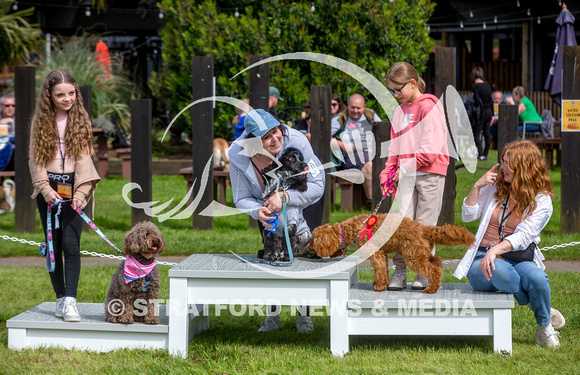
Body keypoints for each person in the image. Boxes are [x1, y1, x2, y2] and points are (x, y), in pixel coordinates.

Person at [454, 140, 565, 348]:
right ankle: (540, 307)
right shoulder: (495, 187)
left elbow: (523, 236)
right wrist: (477, 186)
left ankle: (544, 329)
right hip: (481, 258)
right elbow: (468, 216)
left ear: (524, 167)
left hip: (516, 257)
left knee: (538, 278)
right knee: (501, 272)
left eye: (507, 163)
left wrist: (496, 250)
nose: (502, 167)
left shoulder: (542, 200)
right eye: (503, 161)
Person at [228, 109, 325, 333]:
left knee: (302, 257)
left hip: (304, 200)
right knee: (273, 256)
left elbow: (317, 185)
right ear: (253, 142)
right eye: (267, 137)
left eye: (276, 132)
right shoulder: (237, 154)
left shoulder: (298, 141)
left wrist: (287, 197)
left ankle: (304, 316)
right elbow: (241, 198)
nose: (275, 139)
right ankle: (272, 316)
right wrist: (257, 211)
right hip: (268, 207)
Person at [28, 69, 101, 322]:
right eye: (60, 95)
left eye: (71, 93)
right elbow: (35, 159)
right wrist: (45, 189)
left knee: (71, 244)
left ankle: (71, 300)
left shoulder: (81, 119)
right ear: (49, 95)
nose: (67, 99)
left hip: (73, 188)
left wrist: (81, 193)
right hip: (48, 189)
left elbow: (84, 159)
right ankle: (59, 297)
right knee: (53, 245)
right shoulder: (40, 121)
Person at [380, 61, 449, 291]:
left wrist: (404, 168)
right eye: (392, 91)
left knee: (424, 226)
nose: (395, 94)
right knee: (401, 226)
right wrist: (388, 171)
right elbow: (394, 147)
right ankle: (400, 271)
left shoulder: (429, 107)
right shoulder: (399, 112)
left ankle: (423, 271)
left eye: (397, 89)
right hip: (404, 175)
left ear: (412, 83)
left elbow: (430, 149)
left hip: (429, 174)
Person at [331, 93, 381, 201]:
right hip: (351, 155)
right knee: (369, 166)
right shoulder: (340, 119)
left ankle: (383, 203)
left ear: (364, 106)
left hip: (373, 153)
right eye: (352, 107)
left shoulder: (371, 116)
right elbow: (324, 137)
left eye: (358, 108)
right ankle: (373, 202)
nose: (355, 111)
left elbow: (383, 131)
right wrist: (341, 144)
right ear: (348, 105)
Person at [471, 67, 494, 161]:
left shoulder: (475, 86)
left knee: (476, 133)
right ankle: (485, 154)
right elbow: (491, 100)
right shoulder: (487, 86)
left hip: (480, 113)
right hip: (489, 112)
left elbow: (476, 100)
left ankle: (480, 154)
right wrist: (492, 114)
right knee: (487, 133)